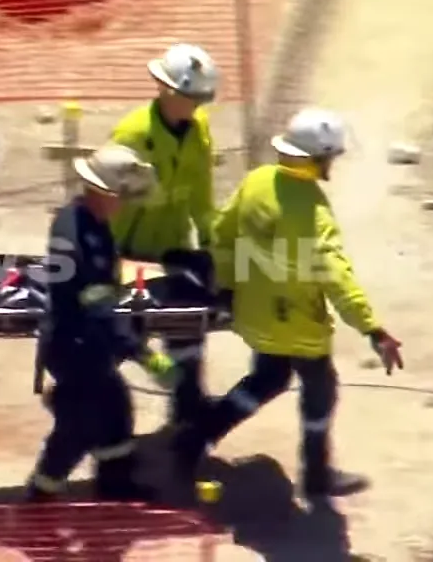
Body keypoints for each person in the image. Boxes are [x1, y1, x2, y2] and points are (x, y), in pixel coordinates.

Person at [172, 108, 405, 498]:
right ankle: (316, 476)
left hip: (254, 313)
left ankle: (197, 436)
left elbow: (221, 233)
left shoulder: (257, 181)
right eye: (330, 156)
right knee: (320, 387)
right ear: (317, 158)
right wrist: (372, 329)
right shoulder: (313, 213)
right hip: (299, 325)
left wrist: (227, 286)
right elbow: (337, 278)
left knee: (268, 378)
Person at [25, 143, 182, 502]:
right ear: (105, 191)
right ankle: (41, 492)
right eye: (122, 196)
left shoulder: (89, 221)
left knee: (115, 408)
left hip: (90, 342)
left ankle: (115, 483)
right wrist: (142, 353)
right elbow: (96, 305)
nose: (124, 203)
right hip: (74, 346)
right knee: (78, 427)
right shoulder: (78, 235)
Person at [107, 43, 222, 430]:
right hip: (127, 252)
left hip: (172, 250)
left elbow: (201, 192)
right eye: (190, 98)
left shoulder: (199, 129)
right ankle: (80, 396)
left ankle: (187, 411)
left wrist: (211, 247)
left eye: (201, 99)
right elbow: (105, 199)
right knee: (120, 335)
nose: (196, 106)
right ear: (164, 89)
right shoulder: (134, 134)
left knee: (188, 325)